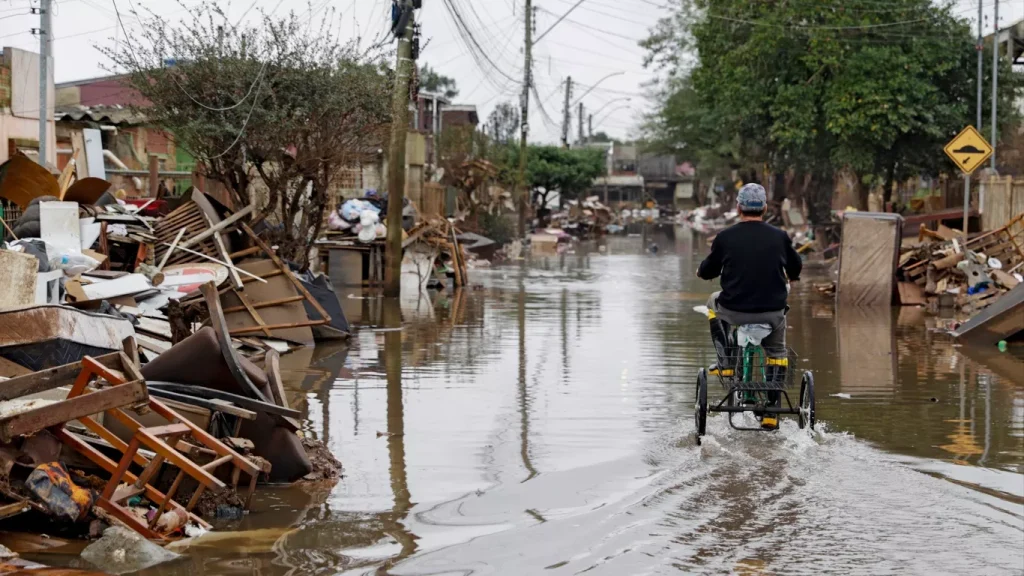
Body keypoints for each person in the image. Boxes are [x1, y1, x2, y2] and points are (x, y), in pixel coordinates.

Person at [697, 183, 803, 428]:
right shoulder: (780, 236)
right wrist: (792, 276)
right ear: (764, 208)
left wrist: (701, 272)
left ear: (738, 207)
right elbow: (795, 267)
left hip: (734, 311)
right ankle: (770, 412)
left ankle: (725, 362)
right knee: (777, 353)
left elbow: (708, 268)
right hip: (772, 311)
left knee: (713, 299)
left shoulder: (725, 237)